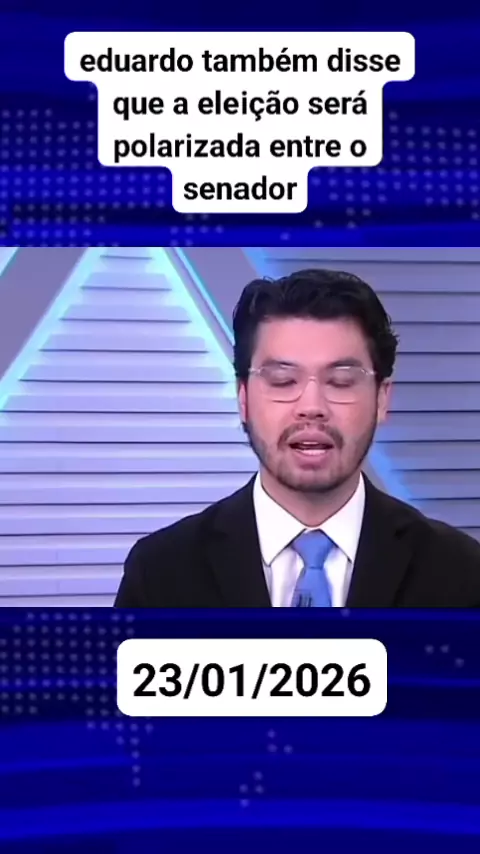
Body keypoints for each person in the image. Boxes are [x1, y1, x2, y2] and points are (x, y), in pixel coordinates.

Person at [114, 268, 480, 608]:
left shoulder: (460, 573)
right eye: (283, 381)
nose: (311, 407)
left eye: (341, 382)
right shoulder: (160, 573)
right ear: (243, 398)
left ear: (382, 399)